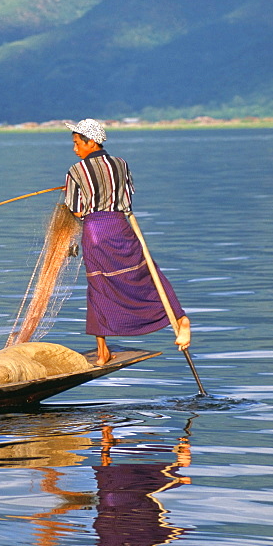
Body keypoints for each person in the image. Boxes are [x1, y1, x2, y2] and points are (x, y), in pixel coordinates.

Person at [63, 117, 190, 365]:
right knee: (147, 274)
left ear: (91, 143)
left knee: (99, 287)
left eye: (77, 143)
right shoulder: (121, 164)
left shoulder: (76, 171)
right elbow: (127, 199)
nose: (74, 148)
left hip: (96, 233)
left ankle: (102, 352)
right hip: (121, 228)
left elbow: (77, 210)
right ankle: (180, 318)